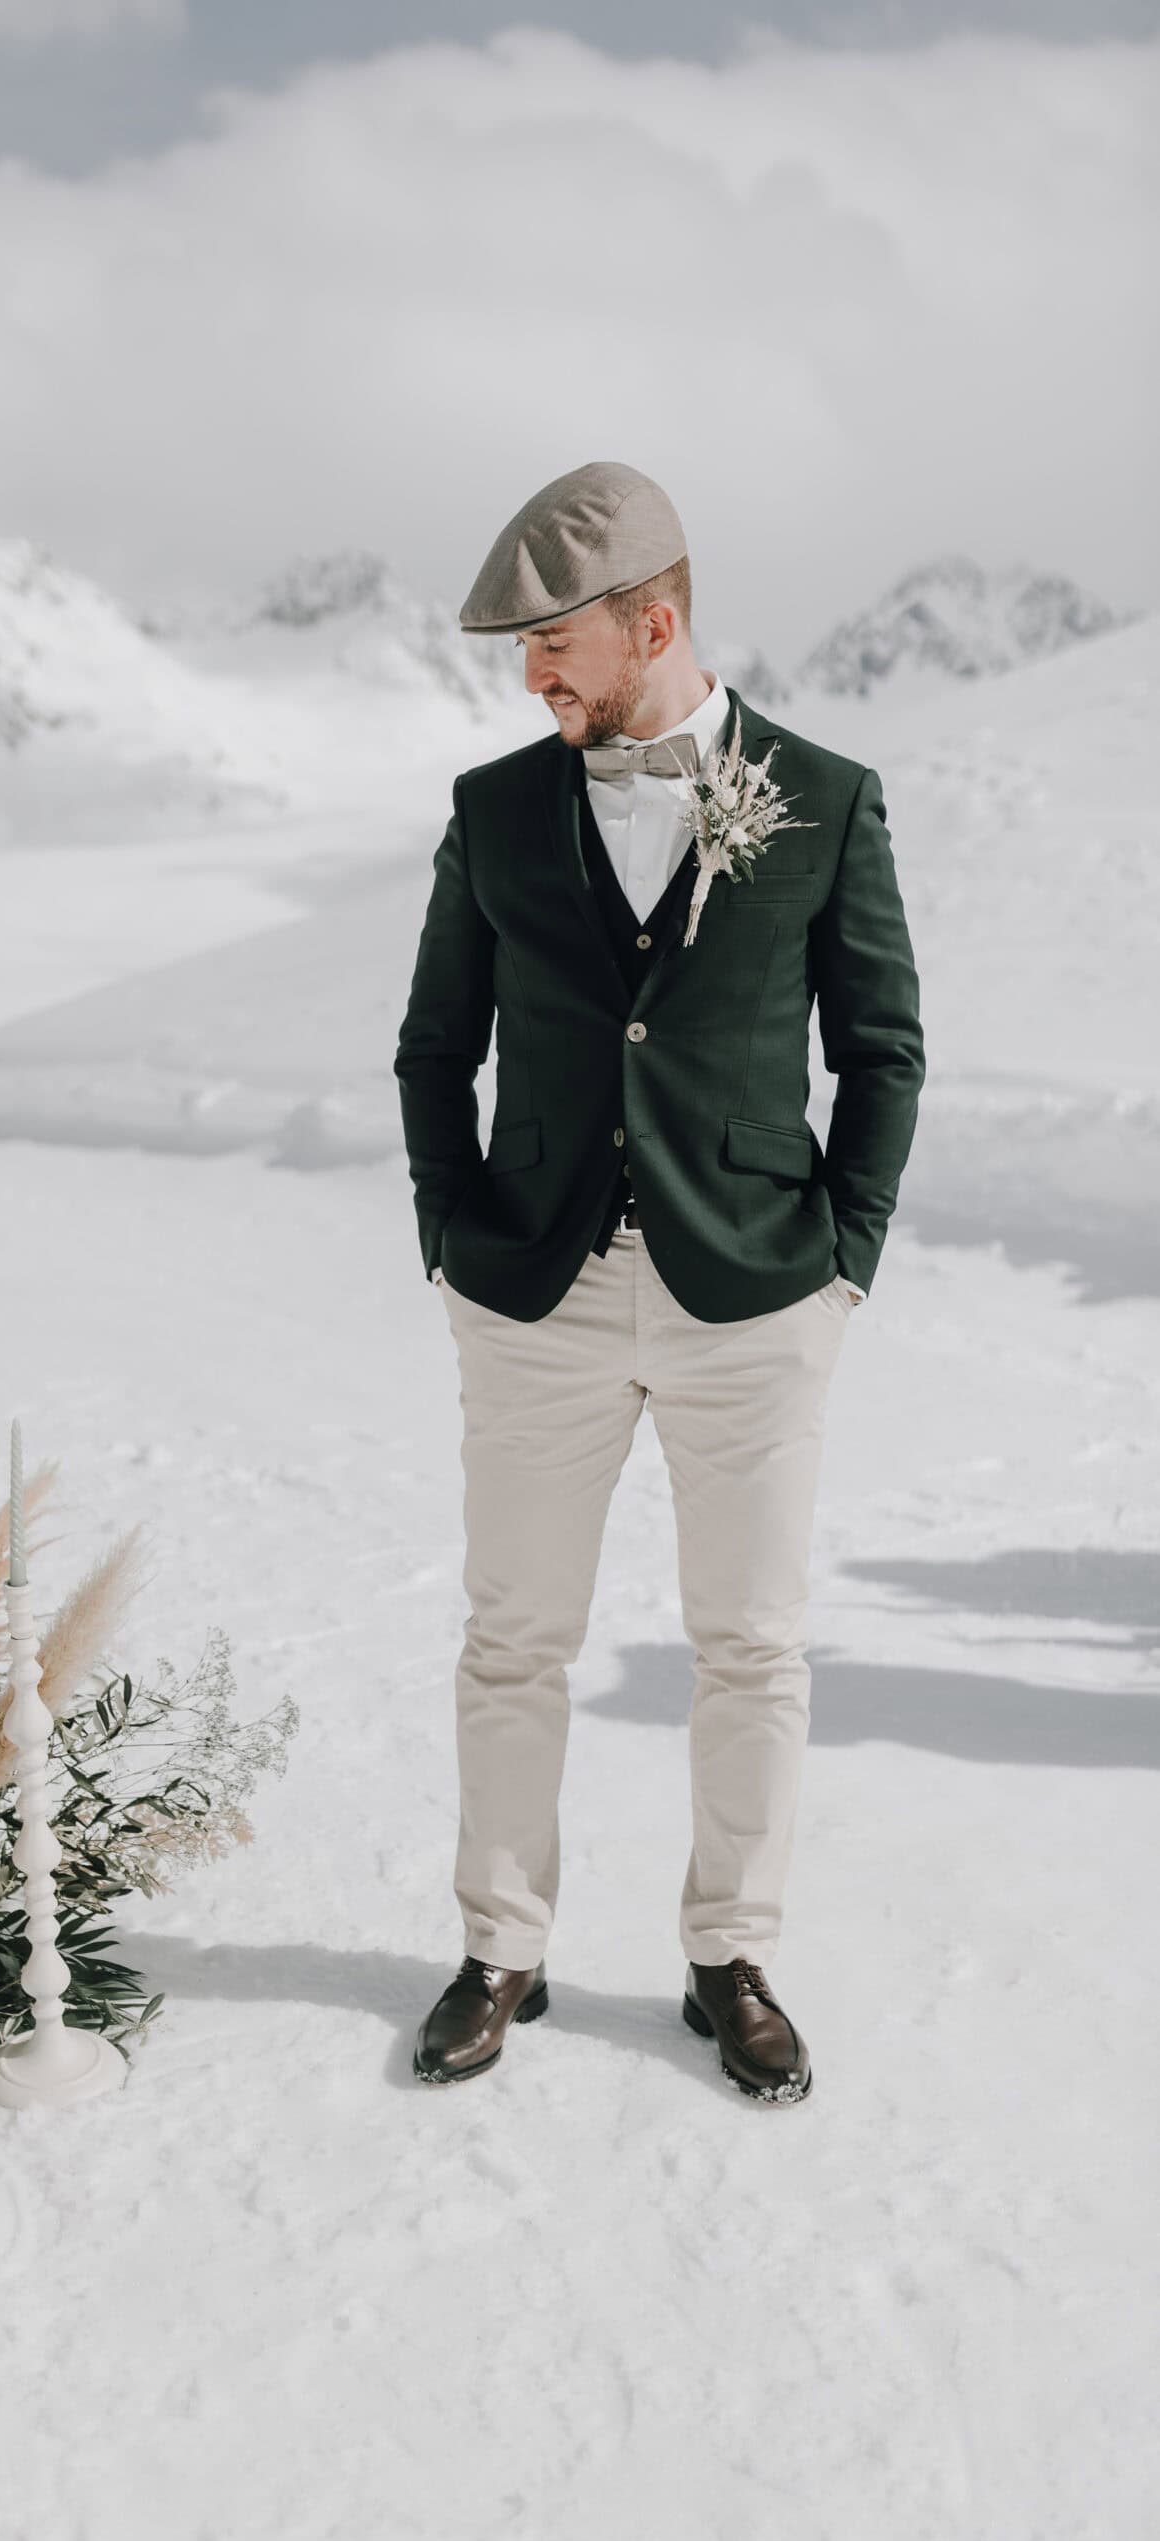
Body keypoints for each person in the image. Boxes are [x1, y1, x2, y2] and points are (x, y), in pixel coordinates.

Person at [394, 461, 925, 2104]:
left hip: (756, 1297)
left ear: (655, 622)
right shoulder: (494, 810)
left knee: (752, 1645)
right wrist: (453, 1239)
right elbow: (434, 1046)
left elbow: (884, 1051)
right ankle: (501, 1946)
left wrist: (843, 1265)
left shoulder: (824, 799)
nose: (531, 680)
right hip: (535, 1294)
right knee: (512, 1639)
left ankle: (730, 1957)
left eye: (552, 645)